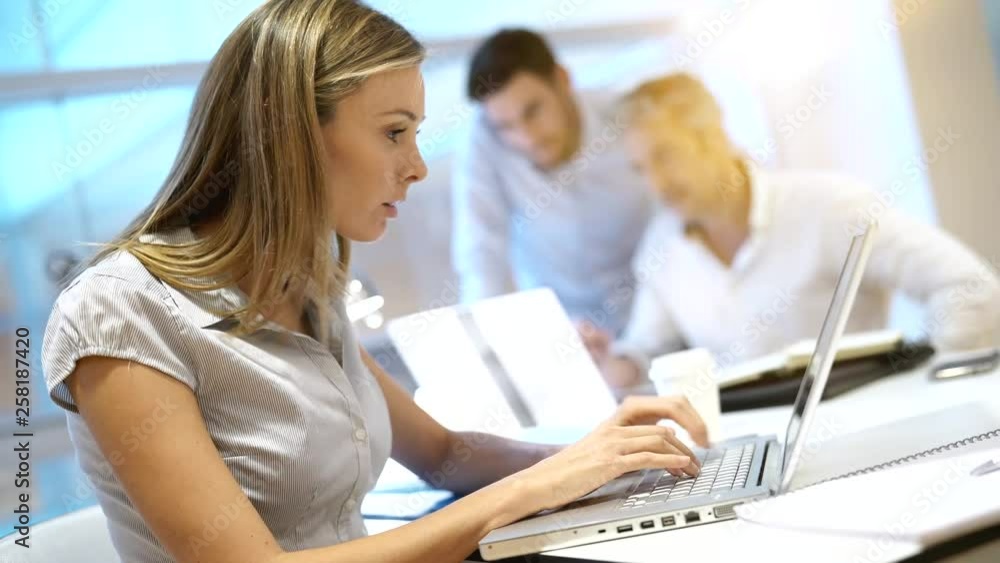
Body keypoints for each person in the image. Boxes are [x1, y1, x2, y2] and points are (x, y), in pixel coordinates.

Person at [40, 4, 707, 562]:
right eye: (394, 133)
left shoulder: (304, 287)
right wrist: (528, 491)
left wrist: (595, 456)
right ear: (290, 131)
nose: (417, 167)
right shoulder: (121, 311)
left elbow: (443, 453)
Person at [598, 73, 1000, 393]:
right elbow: (649, 353)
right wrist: (611, 364)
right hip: (753, 446)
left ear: (715, 137)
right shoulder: (660, 248)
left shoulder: (829, 206)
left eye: (666, 156)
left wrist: (930, 379)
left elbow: (969, 286)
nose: (656, 184)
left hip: (863, 426)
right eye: (640, 169)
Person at [452, 29, 655, 343]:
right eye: (506, 126)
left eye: (533, 111)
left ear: (562, 79)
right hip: (568, 336)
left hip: (653, 314)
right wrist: (487, 345)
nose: (527, 138)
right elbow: (481, 253)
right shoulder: (484, 142)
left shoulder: (624, 116)